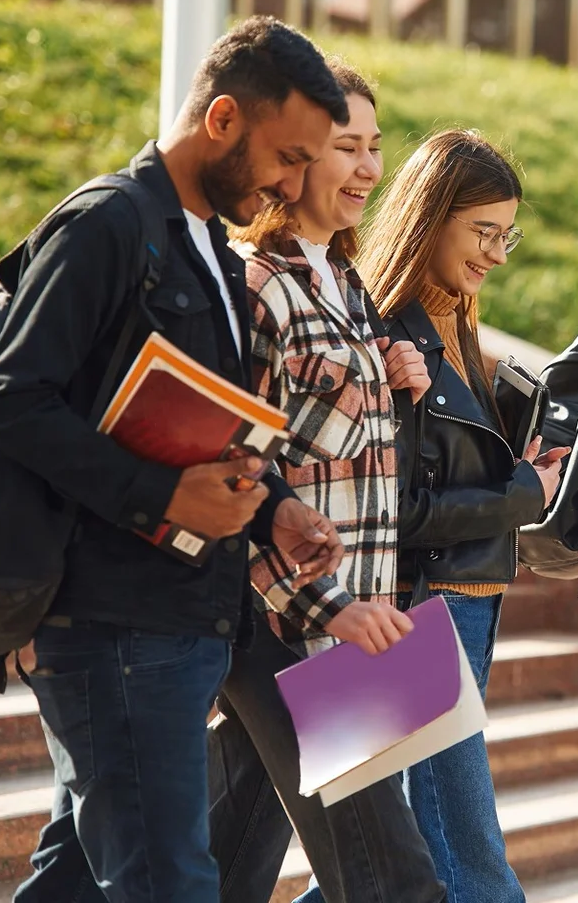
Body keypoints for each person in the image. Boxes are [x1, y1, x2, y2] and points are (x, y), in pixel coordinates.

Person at [0, 17, 350, 903]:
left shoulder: (211, 247)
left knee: (75, 883)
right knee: (171, 883)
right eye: (289, 157)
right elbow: (10, 399)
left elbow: (199, 427)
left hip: (177, 626)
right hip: (114, 628)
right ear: (223, 119)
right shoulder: (108, 224)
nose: (298, 185)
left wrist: (275, 509)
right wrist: (162, 495)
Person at [296, 129, 570, 903]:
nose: (497, 254)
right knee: (468, 869)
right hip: (420, 614)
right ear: (431, 216)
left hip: (458, 609)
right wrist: (522, 496)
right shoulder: (392, 335)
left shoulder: (456, 327)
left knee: (380, 863)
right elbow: (398, 512)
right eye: (483, 232)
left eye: (505, 235)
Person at [207, 58, 446, 903]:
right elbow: (241, 467)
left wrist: (393, 371)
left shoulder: (347, 284)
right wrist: (327, 614)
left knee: (225, 859)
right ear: (298, 155)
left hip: (357, 619)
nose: (372, 168)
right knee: (393, 880)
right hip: (291, 623)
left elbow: (345, 452)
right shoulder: (253, 286)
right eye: (350, 146)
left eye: (376, 146)